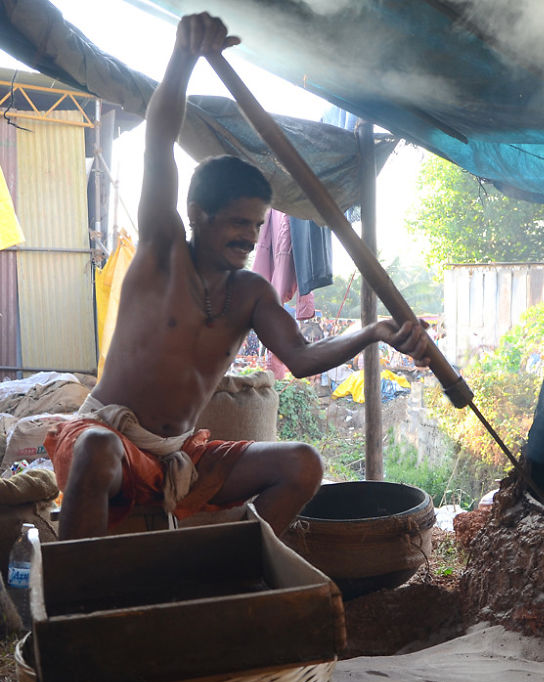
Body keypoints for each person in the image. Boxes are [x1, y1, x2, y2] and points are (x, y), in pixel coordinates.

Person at [45, 12, 430, 540]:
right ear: (198, 215)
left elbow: (301, 358)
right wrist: (183, 57)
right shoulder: (162, 252)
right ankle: (77, 589)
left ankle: (232, 566)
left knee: (303, 463)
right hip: (108, 439)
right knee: (95, 447)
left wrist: (376, 332)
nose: (249, 237)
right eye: (237, 223)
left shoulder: (251, 293)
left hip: (179, 456)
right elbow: (158, 142)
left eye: (256, 225)